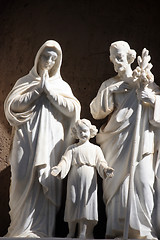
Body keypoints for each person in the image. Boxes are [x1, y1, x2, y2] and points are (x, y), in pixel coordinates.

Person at [4, 40, 81, 237]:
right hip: (25, 138)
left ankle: (41, 230)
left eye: (54, 58)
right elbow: (13, 107)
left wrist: (51, 92)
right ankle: (19, 228)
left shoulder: (61, 86)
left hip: (50, 144)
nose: (49, 61)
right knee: (20, 179)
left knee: (45, 180)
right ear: (38, 58)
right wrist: (38, 90)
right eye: (46, 56)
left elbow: (73, 110)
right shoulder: (25, 82)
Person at [90, 41, 160, 239]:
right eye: (113, 58)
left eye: (120, 57)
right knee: (118, 187)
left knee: (145, 181)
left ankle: (145, 231)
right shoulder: (109, 84)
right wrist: (111, 91)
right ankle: (120, 231)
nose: (117, 62)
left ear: (130, 57)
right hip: (115, 142)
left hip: (141, 140)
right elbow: (96, 112)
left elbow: (157, 103)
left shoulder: (143, 80)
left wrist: (152, 99)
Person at [51, 119, 114, 239]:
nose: (83, 134)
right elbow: (65, 161)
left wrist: (106, 169)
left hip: (89, 179)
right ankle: (71, 232)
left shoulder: (95, 149)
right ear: (75, 133)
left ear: (90, 132)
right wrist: (58, 169)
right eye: (80, 132)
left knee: (86, 203)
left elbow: (101, 162)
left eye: (85, 131)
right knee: (73, 202)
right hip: (74, 179)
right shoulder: (72, 149)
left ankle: (83, 232)